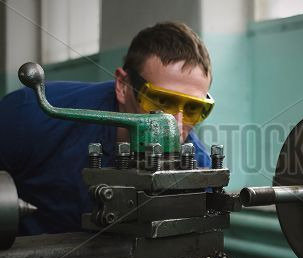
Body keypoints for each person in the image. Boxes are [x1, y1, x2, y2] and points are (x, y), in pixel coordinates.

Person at [0, 22, 214, 235]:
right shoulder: (27, 116)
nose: (176, 125)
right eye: (160, 101)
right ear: (122, 85)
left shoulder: (198, 168)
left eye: (194, 108)